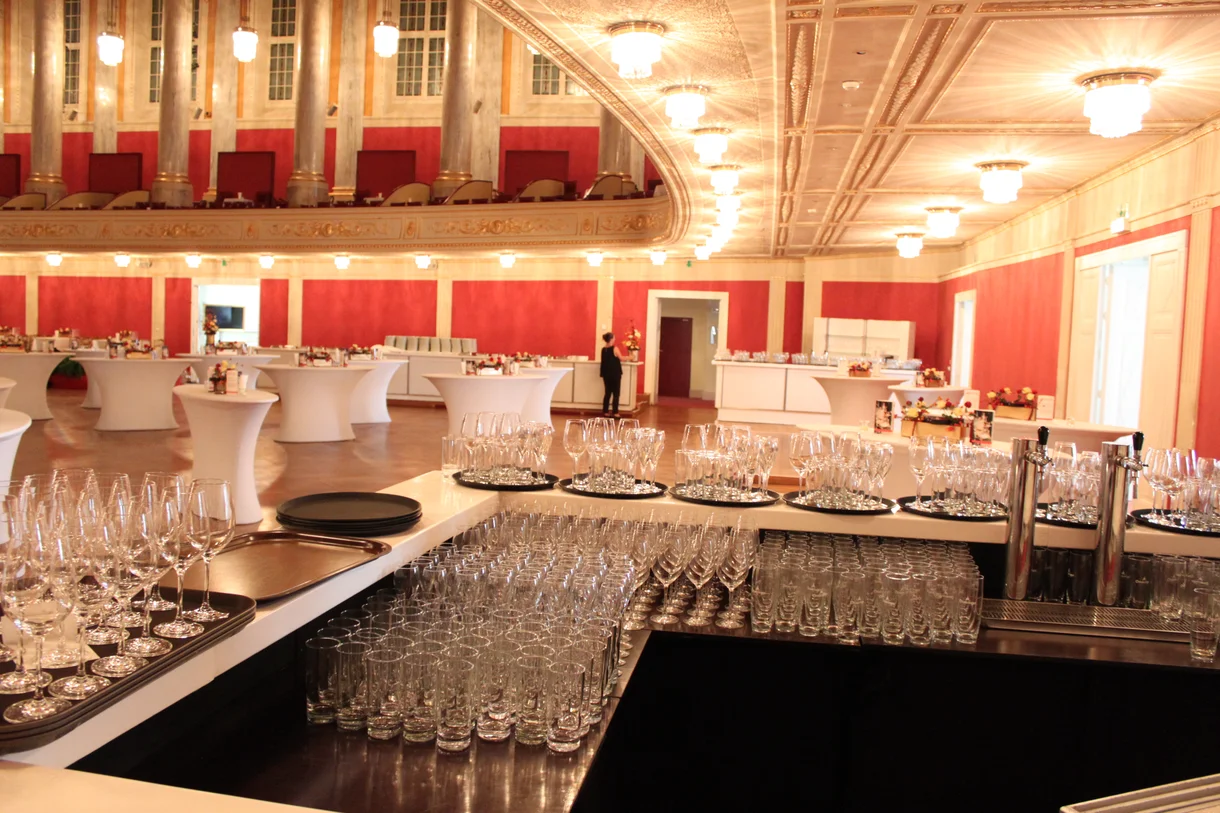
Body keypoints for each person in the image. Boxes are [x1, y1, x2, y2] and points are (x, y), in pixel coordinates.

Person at [599, 331, 625, 417]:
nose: (615, 339)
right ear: (611, 339)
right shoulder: (615, 348)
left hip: (606, 374)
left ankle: (605, 411)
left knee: (607, 393)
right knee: (616, 393)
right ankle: (615, 412)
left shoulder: (603, 349)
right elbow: (621, 358)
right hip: (615, 373)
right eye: (614, 337)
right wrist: (631, 357)